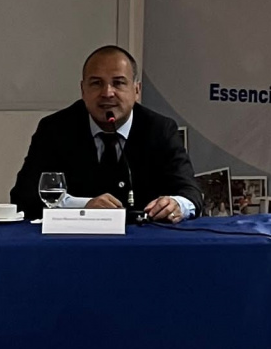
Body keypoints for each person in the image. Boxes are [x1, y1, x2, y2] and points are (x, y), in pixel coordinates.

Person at [11, 45, 202, 221]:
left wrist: (176, 205)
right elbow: (23, 196)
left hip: (144, 240)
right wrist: (84, 206)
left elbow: (191, 194)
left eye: (118, 83)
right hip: (75, 240)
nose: (107, 93)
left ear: (136, 90)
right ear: (83, 90)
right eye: (96, 83)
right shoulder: (55, 129)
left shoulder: (160, 129)